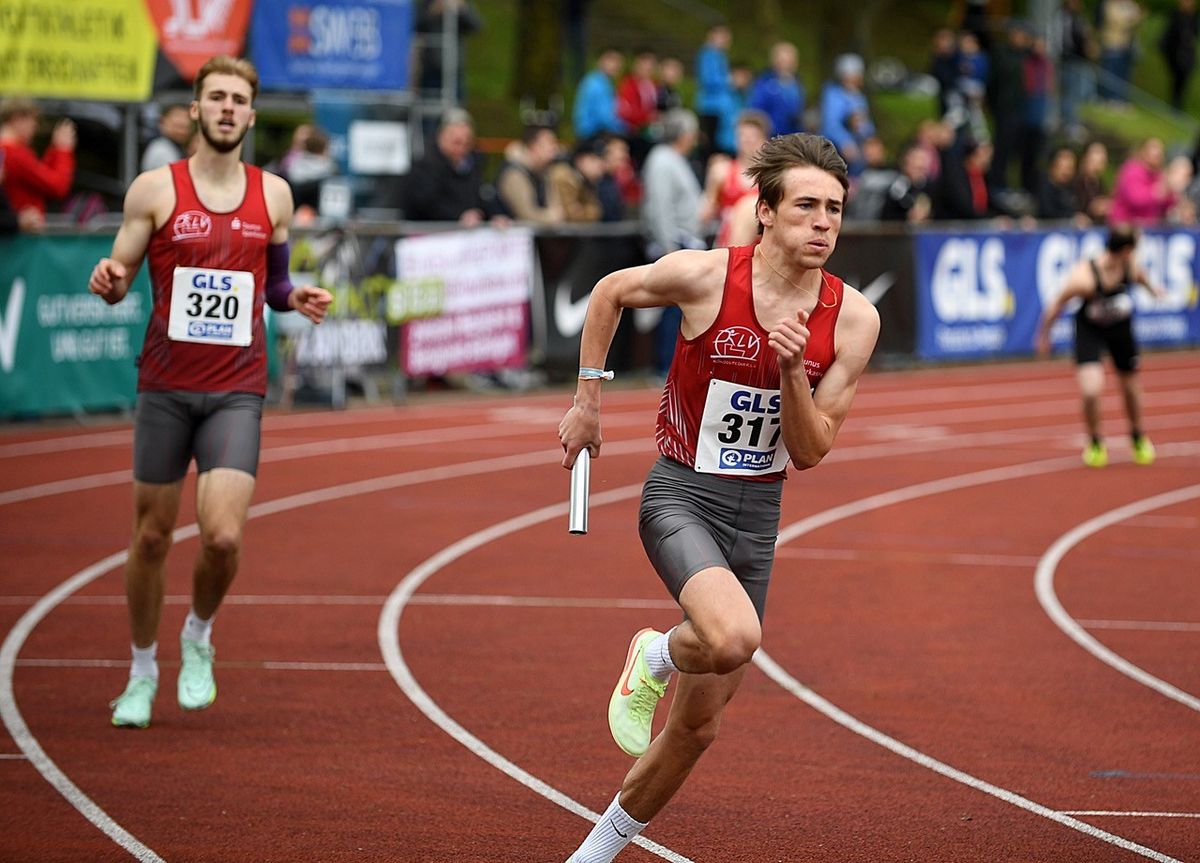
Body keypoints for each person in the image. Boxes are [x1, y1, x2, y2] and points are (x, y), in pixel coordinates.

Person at [557, 133, 879, 863]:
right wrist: (589, 402)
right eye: (805, 206)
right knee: (733, 637)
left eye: (834, 209)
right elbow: (610, 291)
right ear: (763, 212)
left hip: (757, 517)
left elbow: (811, 449)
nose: (823, 223)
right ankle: (655, 652)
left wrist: (793, 371)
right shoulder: (707, 278)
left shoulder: (853, 319)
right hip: (682, 496)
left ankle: (591, 856)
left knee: (697, 729)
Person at [86, 55, 333, 729]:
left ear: (251, 115)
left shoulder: (273, 195)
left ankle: (197, 634)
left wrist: (295, 296)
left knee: (221, 537)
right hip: (165, 385)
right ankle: (140, 671)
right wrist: (108, 279)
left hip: (236, 387)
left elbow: (274, 283)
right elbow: (118, 272)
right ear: (197, 109)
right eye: (216, 97)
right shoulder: (154, 190)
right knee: (151, 535)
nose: (227, 108)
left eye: (238, 99)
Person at [1036, 226, 1166, 468]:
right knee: (1091, 389)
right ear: (1126, 250)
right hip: (1090, 329)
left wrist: (1153, 291)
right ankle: (1095, 441)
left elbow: (1141, 277)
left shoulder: (1130, 265)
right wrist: (1043, 335)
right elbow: (1057, 304)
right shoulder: (1084, 277)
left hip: (1120, 328)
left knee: (1130, 386)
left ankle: (1138, 436)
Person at [640, 108, 705, 376]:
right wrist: (668, 246)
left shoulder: (675, 159)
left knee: (683, 309)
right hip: (676, 243)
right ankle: (666, 365)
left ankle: (676, 364)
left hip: (687, 242)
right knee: (672, 310)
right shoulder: (662, 160)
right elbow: (660, 205)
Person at [403, 108, 499, 225]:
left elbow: (483, 197)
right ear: (441, 137)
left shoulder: (475, 163)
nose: (462, 148)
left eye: (467, 143)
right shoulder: (425, 166)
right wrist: (459, 216)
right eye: (456, 142)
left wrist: (492, 216)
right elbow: (425, 204)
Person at [0, 97, 76, 219]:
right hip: (21, 234)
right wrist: (63, 150)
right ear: (17, 118)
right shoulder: (15, 153)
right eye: (33, 120)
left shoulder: (7, 150)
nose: (35, 127)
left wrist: (54, 150)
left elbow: (39, 175)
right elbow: (57, 186)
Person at [819, 53, 875, 177]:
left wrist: (869, 138)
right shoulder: (833, 95)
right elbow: (831, 125)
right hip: (835, 148)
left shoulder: (859, 97)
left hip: (858, 146)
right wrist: (845, 142)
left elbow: (866, 124)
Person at [1109, 136, 1176, 226]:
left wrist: (1170, 191)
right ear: (1143, 152)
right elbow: (1136, 199)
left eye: (1160, 150)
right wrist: (1158, 192)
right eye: (1154, 149)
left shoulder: (1159, 174)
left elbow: (1168, 204)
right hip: (1125, 227)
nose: (1158, 153)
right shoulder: (1131, 170)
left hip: (1149, 227)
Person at [573, 48, 626, 144]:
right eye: (611, 60)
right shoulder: (595, 84)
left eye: (618, 61)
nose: (616, 65)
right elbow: (605, 117)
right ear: (601, 61)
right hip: (592, 136)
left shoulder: (605, 83)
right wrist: (625, 128)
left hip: (597, 133)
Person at [1159, 0, 1199, 110]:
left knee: (1183, 77)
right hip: (1174, 51)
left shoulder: (1194, 16)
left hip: (1186, 53)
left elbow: (1195, 33)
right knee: (1176, 76)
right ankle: (1174, 102)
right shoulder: (1174, 14)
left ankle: (1177, 103)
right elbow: (1169, 33)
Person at [141, 104, 193, 172]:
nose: (181, 132)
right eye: (177, 126)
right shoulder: (161, 149)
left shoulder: (177, 147)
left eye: (184, 127)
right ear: (162, 122)